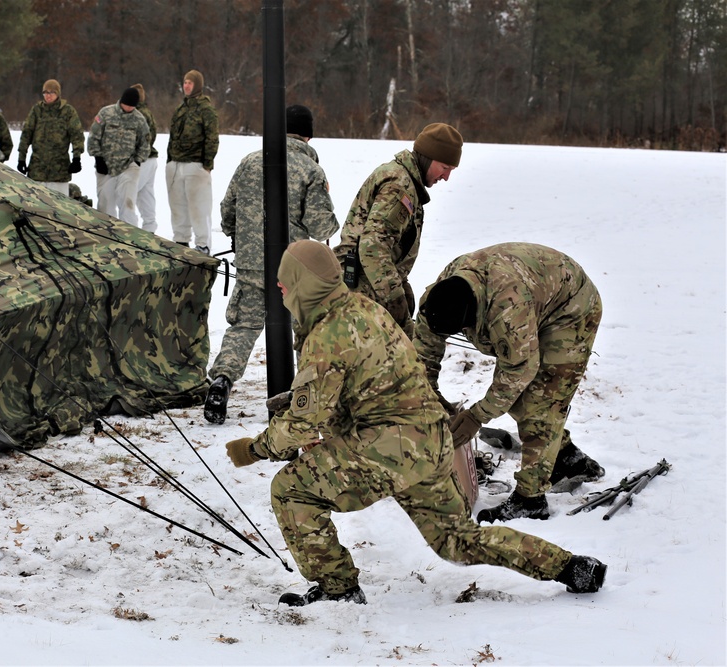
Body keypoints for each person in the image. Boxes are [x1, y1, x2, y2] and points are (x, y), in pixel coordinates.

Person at [224, 240, 607, 606]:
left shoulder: (327, 335)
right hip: (430, 440)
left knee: (290, 490)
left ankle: (338, 589)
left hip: (389, 448)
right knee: (458, 540)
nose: (280, 288)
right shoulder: (364, 309)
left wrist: (254, 449)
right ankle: (570, 567)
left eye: (284, 281)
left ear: (302, 286)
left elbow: (301, 426)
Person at [414, 242, 606, 523]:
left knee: (541, 404)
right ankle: (566, 459)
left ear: (472, 320)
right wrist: (427, 394)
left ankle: (531, 500)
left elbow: (518, 373)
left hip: (570, 309)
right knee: (519, 403)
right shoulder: (438, 296)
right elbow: (424, 350)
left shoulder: (507, 309)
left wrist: (476, 417)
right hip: (534, 292)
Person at [204, 105, 338, 424]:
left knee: (244, 325)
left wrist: (242, 240)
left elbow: (227, 210)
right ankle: (305, 396)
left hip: (251, 262)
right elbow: (322, 227)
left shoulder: (250, 161)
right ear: (308, 135)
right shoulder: (311, 170)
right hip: (297, 269)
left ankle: (221, 380)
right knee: (305, 330)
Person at [333, 123, 463, 338]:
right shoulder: (399, 186)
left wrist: (402, 286)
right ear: (429, 157)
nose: (446, 177)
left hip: (367, 286)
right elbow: (373, 247)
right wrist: (395, 299)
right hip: (364, 291)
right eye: (445, 167)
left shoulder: (403, 179)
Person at [166, 69, 219, 254]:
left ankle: (203, 243)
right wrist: (169, 161)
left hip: (196, 164)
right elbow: (172, 136)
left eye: (190, 82)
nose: (186, 85)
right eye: (185, 82)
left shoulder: (206, 109)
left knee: (199, 207)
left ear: (197, 85)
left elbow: (212, 137)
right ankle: (180, 240)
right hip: (175, 164)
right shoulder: (181, 109)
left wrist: (207, 164)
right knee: (177, 206)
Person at [87, 88, 151, 226]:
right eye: (127, 104)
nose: (129, 108)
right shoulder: (106, 113)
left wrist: (137, 161)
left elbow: (145, 144)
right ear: (122, 101)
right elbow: (93, 137)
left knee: (127, 204)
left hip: (128, 166)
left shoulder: (139, 120)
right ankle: (107, 234)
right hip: (106, 166)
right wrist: (98, 158)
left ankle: (130, 236)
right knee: (105, 206)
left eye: (132, 106)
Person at [17, 79, 84, 196]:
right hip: (37, 170)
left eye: (52, 93)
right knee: (36, 208)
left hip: (59, 171)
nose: (48, 96)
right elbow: (26, 134)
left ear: (58, 94)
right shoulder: (37, 111)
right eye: (45, 93)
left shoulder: (68, 112)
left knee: (60, 208)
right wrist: (21, 158)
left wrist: (77, 158)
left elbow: (76, 135)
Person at [131, 83, 159, 234]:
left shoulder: (137, 114)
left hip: (142, 160)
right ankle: (150, 227)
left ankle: (132, 229)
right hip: (151, 159)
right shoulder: (147, 111)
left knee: (130, 192)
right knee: (146, 195)